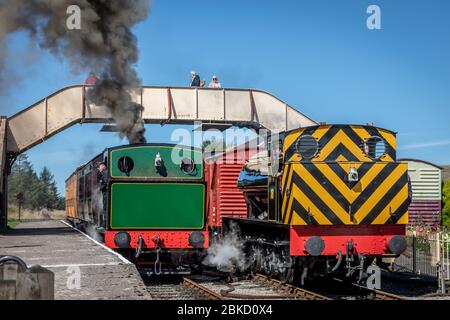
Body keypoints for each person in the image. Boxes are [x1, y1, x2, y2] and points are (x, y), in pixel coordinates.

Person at [97, 161, 108, 230]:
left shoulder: (105, 173)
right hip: (105, 194)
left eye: (99, 167)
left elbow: (106, 183)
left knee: (106, 209)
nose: (98, 168)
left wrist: (100, 188)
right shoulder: (103, 174)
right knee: (105, 208)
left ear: (103, 166)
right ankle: (104, 224)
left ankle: (105, 225)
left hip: (107, 194)